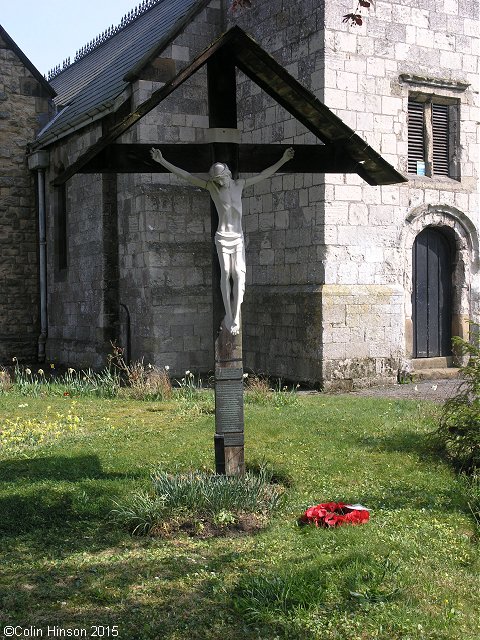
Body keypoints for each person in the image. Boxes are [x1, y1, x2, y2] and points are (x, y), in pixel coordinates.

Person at [150, 146, 295, 335]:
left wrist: (283, 159)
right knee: (226, 272)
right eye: (217, 180)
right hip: (222, 236)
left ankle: (235, 316)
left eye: (222, 178)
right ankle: (229, 315)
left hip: (238, 237)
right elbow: (186, 176)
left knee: (239, 275)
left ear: (228, 174)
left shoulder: (239, 184)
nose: (220, 182)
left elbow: (263, 175)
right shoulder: (212, 187)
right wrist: (162, 161)